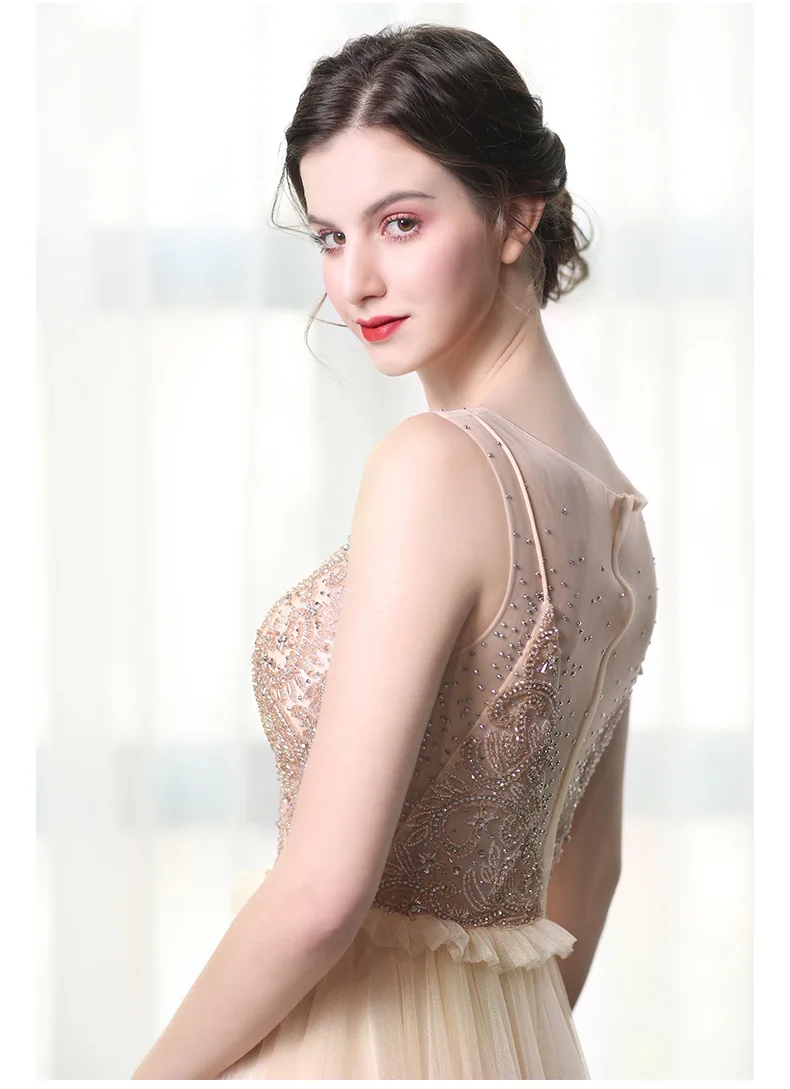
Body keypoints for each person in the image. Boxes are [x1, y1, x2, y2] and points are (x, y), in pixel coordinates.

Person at [132, 22, 657, 1080]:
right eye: (331, 236)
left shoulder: (441, 464)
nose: (356, 281)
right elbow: (587, 879)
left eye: (402, 222)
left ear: (517, 213)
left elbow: (322, 895)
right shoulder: (617, 516)